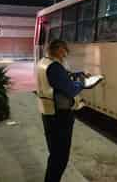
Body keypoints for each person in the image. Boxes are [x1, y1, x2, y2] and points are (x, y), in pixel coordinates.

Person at [36, 39, 89, 182]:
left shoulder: (43, 63)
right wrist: (82, 83)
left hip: (48, 112)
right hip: (60, 115)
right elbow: (70, 89)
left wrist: (75, 75)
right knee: (60, 157)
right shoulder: (54, 67)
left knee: (54, 154)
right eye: (64, 50)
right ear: (58, 49)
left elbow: (60, 80)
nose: (65, 54)